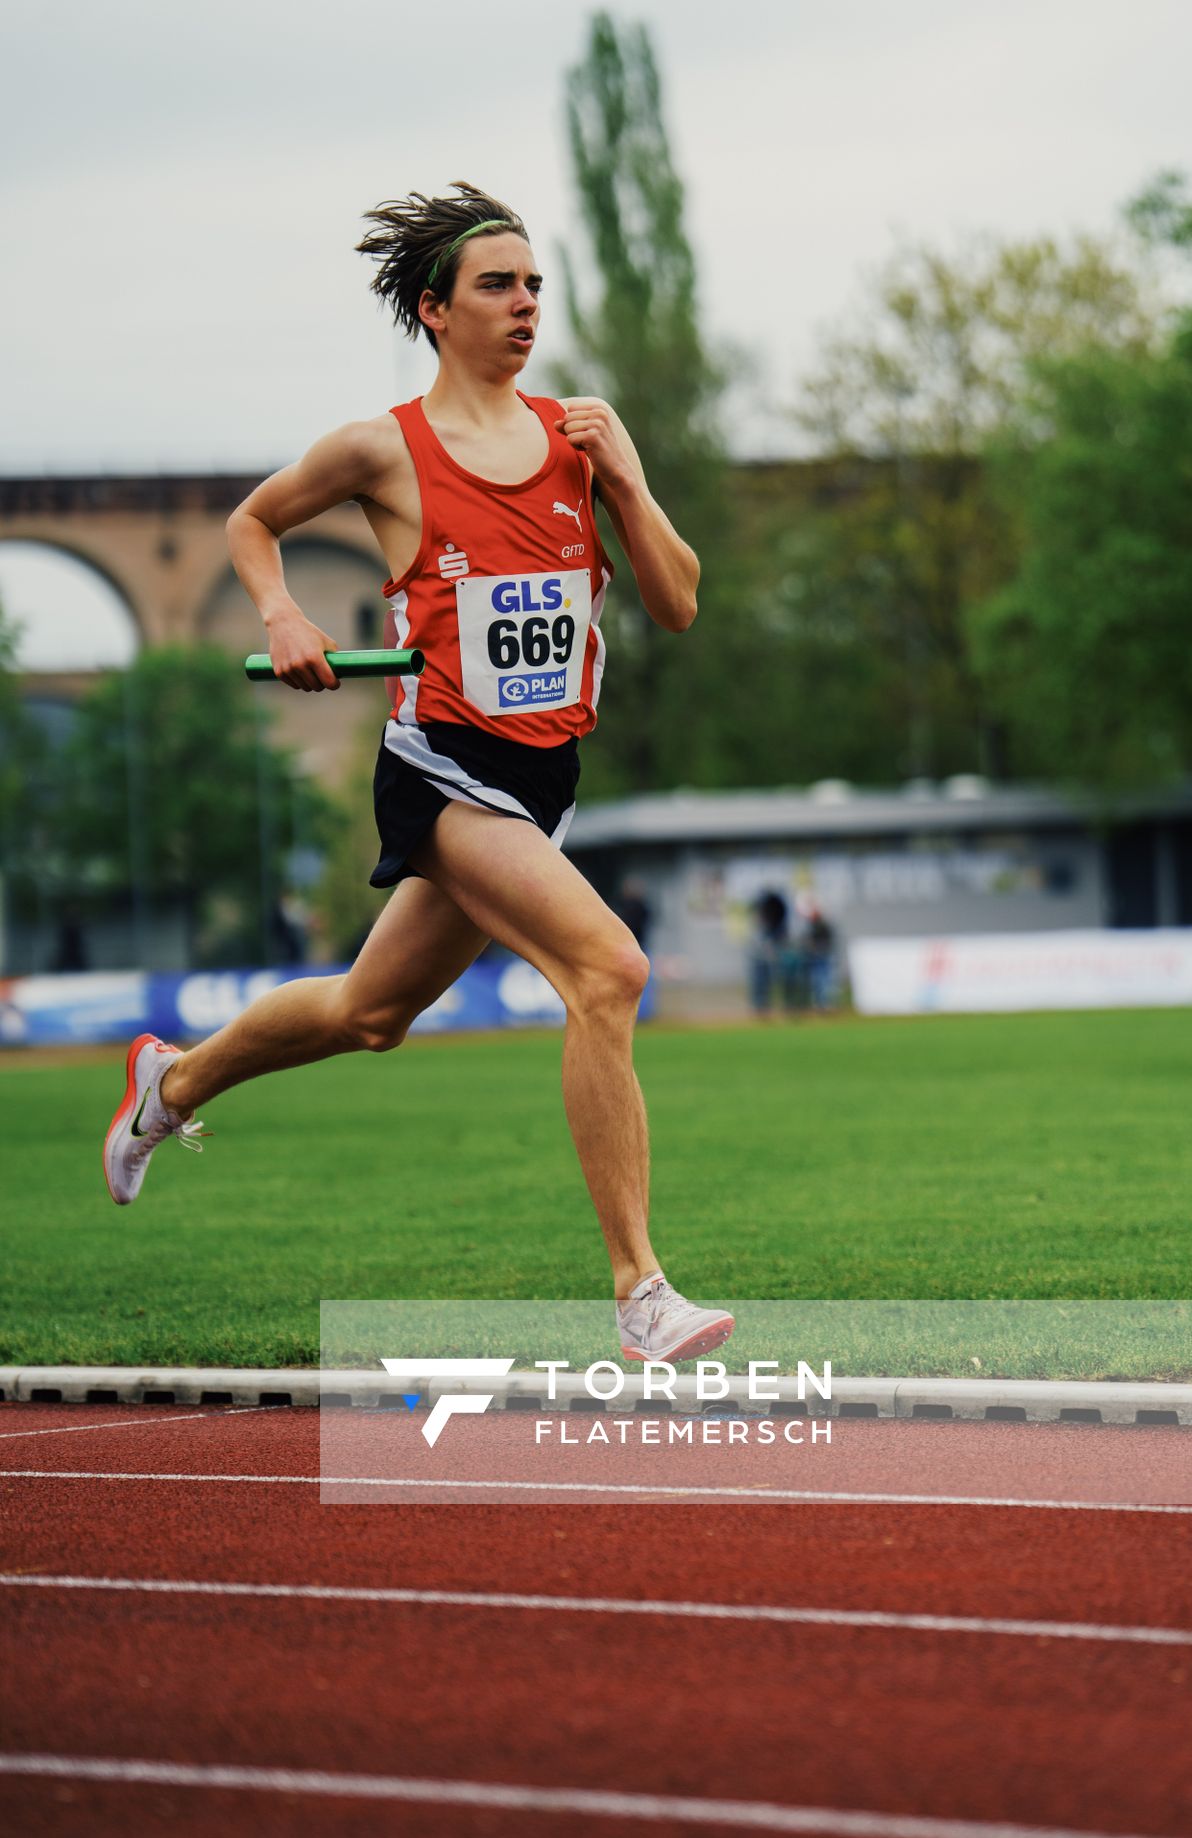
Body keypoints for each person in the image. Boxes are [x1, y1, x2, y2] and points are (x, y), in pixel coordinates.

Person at [102, 182, 732, 1368]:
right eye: (497, 285)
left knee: (370, 1013)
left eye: (534, 284)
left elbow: (679, 602)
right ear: (436, 311)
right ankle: (640, 1290)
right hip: (440, 766)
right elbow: (252, 522)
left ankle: (170, 1086)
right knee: (609, 968)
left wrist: (634, 486)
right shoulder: (378, 448)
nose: (525, 303)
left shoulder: (580, 438)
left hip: (542, 777)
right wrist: (283, 612)